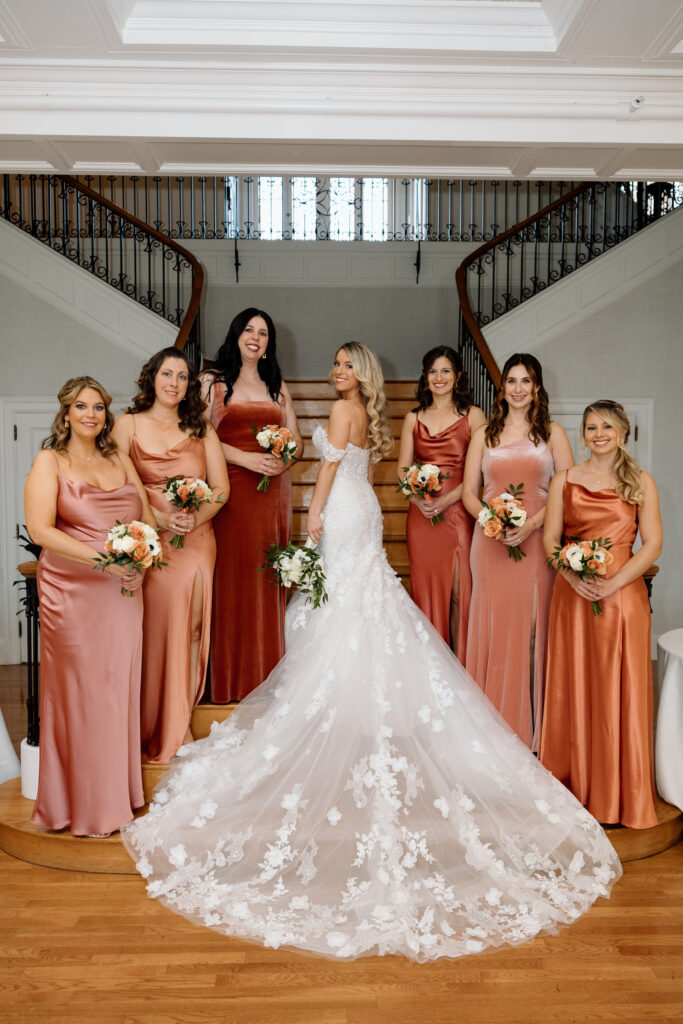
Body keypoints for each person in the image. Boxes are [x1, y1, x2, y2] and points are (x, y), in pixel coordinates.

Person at [122, 344, 620, 962]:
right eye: (334, 365)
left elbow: (327, 469)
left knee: (342, 607)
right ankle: (358, 703)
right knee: (356, 603)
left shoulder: (339, 410)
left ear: (358, 374)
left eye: (344, 365)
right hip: (359, 510)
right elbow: (347, 461)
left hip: (344, 509)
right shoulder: (358, 410)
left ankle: (344, 704)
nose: (335, 373)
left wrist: (314, 515)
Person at [25, 377, 155, 836]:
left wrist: (140, 558)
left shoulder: (118, 458)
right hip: (71, 592)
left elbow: (146, 519)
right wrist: (106, 561)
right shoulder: (50, 461)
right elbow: (41, 531)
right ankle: (78, 805)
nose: (90, 415)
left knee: (117, 688)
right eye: (81, 406)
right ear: (65, 413)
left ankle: (116, 796)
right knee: (82, 693)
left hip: (123, 591)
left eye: (98, 407)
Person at [540, 400, 662, 829]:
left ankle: (618, 796)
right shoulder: (563, 481)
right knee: (575, 688)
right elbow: (551, 541)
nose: (598, 433)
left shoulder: (640, 481)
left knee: (619, 690)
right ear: (583, 434)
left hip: (623, 600)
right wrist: (573, 580)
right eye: (591, 427)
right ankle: (578, 788)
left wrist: (614, 583)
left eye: (607, 426)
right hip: (572, 599)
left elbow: (652, 545)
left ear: (624, 432)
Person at [113, 348, 229, 763]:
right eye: (167, 374)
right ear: (152, 377)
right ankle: (151, 726)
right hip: (153, 541)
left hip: (197, 540)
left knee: (194, 629)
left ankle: (181, 724)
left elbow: (221, 489)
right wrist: (158, 518)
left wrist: (193, 516)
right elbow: (120, 484)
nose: (174, 383)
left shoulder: (202, 431)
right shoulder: (126, 425)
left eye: (182, 377)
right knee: (159, 632)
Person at [462, 354, 573, 752]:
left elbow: (568, 494)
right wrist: (492, 520)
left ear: (537, 388)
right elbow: (468, 493)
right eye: (512, 380)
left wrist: (529, 524)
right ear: (502, 387)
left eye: (526, 381)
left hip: (536, 543)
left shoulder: (554, 435)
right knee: (491, 629)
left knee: (531, 630)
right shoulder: (484, 435)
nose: (519, 388)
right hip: (489, 546)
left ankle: (531, 732)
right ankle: (488, 730)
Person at [199, 308, 302, 702]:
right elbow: (198, 434)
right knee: (232, 579)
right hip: (231, 492)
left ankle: (265, 680)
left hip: (273, 495)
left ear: (269, 343)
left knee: (266, 580)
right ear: (235, 334)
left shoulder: (276, 384)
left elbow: (298, 438)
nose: (255, 337)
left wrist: (285, 458)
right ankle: (228, 680)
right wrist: (245, 459)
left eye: (263, 332)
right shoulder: (213, 381)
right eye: (248, 329)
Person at [398, 346, 486, 659]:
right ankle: (432, 670)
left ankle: (463, 668)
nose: (439, 377)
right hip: (422, 517)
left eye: (446, 371)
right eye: (433, 371)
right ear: (425, 377)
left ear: (458, 376)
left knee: (462, 593)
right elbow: (403, 468)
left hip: (460, 512)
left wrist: (449, 498)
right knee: (427, 594)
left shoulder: (473, 416)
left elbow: (482, 471)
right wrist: (417, 498)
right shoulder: (412, 418)